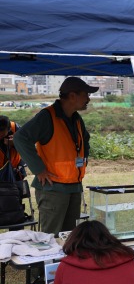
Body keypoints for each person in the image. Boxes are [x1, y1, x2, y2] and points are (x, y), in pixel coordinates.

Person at [14, 77, 97, 236]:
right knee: (49, 238)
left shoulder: (76, 118)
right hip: (53, 187)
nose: (88, 99)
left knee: (69, 237)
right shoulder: (47, 116)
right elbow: (20, 138)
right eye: (86, 94)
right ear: (72, 96)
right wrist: (39, 170)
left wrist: (83, 160)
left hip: (74, 185)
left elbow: (85, 139)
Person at [0, 115, 27, 180]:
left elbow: (28, 146)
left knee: (16, 188)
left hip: (15, 169)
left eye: (2, 134)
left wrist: (16, 143)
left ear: (9, 129)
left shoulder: (16, 129)